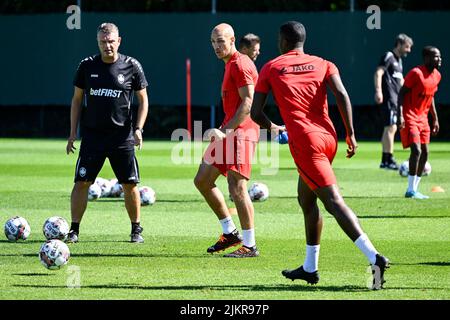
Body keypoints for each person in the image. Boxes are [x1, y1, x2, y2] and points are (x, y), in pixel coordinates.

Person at [251, 21, 389, 289]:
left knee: (333, 202)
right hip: (329, 139)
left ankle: (375, 258)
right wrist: (350, 133)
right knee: (306, 198)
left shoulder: (271, 67)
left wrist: (274, 126)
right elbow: (342, 94)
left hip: (306, 142)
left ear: (282, 41)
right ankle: (310, 268)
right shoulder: (324, 63)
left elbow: (256, 113)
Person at [66, 22, 149, 243]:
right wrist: (72, 133)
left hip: (122, 137)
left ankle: (136, 229)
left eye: (111, 41)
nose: (107, 46)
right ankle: (74, 229)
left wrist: (138, 129)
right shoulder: (87, 65)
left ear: (118, 41)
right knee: (82, 182)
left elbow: (143, 100)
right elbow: (76, 100)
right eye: (103, 42)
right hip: (93, 136)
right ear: (98, 42)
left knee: (129, 184)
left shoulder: (132, 66)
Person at [194, 23, 260, 258]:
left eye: (221, 41)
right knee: (202, 180)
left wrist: (226, 130)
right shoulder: (230, 64)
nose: (216, 46)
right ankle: (230, 233)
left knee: (237, 187)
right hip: (229, 130)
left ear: (232, 40)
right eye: (213, 42)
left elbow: (248, 102)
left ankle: (250, 246)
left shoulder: (240, 64)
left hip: (241, 132)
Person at [398, 46, 442, 199]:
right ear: (426, 58)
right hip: (410, 116)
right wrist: (400, 116)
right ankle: (410, 190)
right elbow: (401, 94)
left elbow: (431, 97)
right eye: (436, 56)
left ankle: (414, 189)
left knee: (425, 153)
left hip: (423, 119)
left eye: (440, 56)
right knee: (416, 150)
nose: (439, 59)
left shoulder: (437, 75)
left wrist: (435, 118)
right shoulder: (415, 73)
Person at [374, 34, 413, 170]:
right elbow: (379, 73)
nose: (409, 50)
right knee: (391, 128)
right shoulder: (389, 56)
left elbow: (401, 82)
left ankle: (385, 160)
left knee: (390, 128)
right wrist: (378, 91)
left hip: (396, 99)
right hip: (389, 98)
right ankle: (388, 160)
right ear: (399, 44)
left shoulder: (399, 61)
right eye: (407, 47)